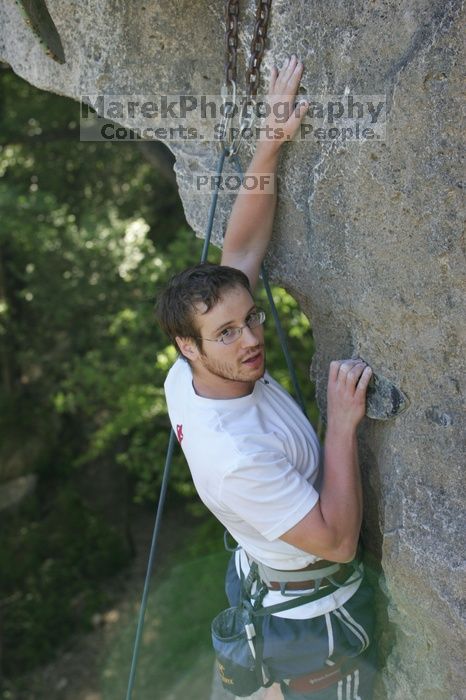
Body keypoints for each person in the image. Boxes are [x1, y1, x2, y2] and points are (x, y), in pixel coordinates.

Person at [157, 55, 377, 700]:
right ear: (189, 347)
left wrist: (271, 140)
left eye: (250, 319)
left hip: (261, 572)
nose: (252, 339)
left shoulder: (192, 372)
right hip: (310, 619)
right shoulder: (235, 457)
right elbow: (337, 542)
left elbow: (243, 249)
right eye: (227, 333)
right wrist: (340, 427)